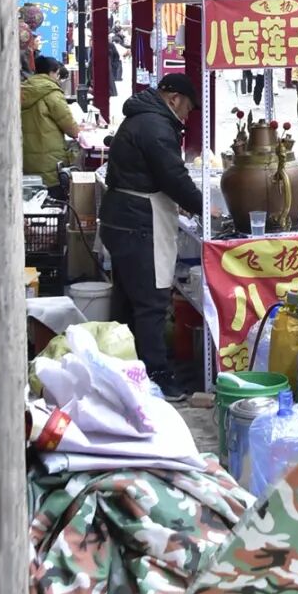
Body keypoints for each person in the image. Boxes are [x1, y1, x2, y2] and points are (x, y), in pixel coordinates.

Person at [98, 75, 203, 400]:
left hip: (122, 216)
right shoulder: (156, 125)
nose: (187, 115)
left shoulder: (142, 117)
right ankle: (156, 374)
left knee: (127, 299)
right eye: (187, 107)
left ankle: (123, 371)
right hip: (139, 221)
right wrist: (203, 206)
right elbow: (172, 175)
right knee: (151, 302)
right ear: (174, 98)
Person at [21, 56, 80, 188]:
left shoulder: (24, 90)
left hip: (26, 158)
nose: (57, 78)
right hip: (50, 161)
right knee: (53, 194)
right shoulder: (52, 93)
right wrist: (78, 131)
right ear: (52, 72)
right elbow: (70, 127)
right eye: (57, 74)